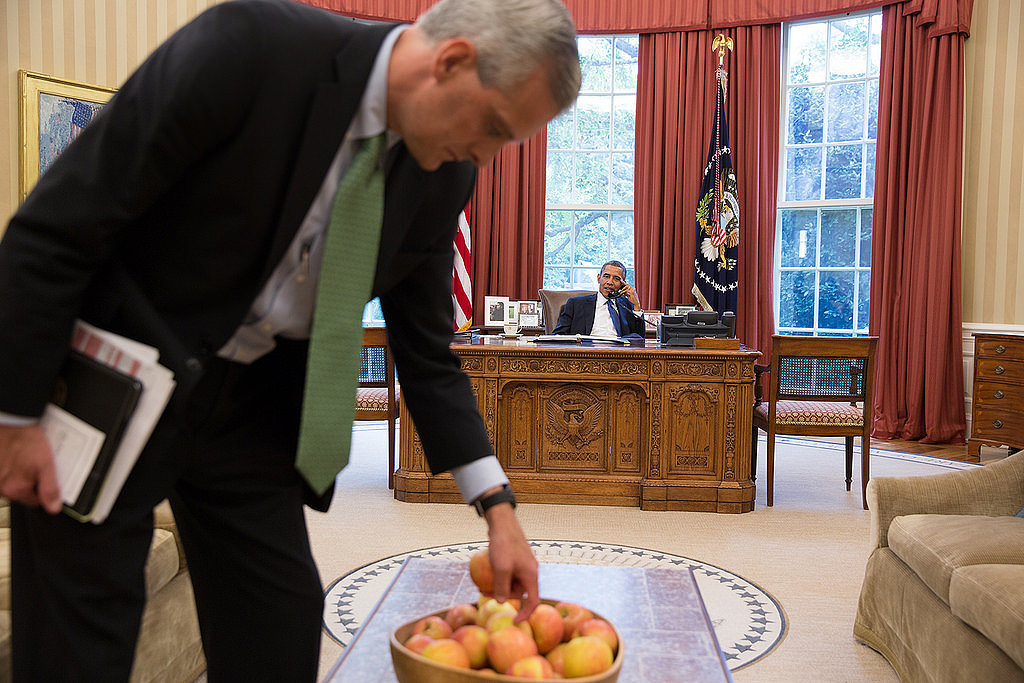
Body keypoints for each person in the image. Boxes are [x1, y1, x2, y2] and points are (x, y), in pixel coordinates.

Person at [0, 0, 580, 679]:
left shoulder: (443, 171)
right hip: (117, 384)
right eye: (492, 127)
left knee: (279, 626)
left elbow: (426, 351)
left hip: (251, 413)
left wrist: (498, 508)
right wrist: (15, 414)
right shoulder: (249, 49)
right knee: (78, 648)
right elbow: (57, 226)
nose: (486, 155)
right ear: (450, 60)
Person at [552, 260, 647, 336]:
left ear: (623, 284)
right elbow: (558, 335)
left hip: (618, 355)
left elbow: (639, 338)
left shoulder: (626, 305)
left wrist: (636, 306)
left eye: (616, 279)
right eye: (606, 276)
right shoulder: (576, 304)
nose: (610, 282)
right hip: (586, 353)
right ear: (598, 278)